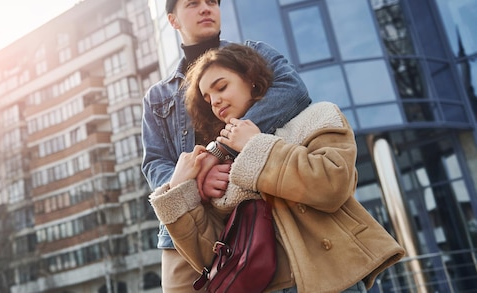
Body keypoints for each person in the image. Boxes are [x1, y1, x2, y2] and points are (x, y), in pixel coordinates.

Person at [149, 43, 406, 293]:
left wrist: (255, 145)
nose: (215, 101)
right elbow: (209, 254)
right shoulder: (220, 169)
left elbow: (333, 185)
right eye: (208, 98)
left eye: (222, 87)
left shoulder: (316, 118)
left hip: (334, 280)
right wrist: (180, 189)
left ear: (251, 78)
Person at [141, 0, 311, 292]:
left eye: (212, 1)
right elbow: (154, 163)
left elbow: (293, 92)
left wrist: (220, 152)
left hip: (258, 209)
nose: (206, 8)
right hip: (186, 221)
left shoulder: (253, 54)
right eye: (193, 3)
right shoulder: (157, 96)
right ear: (173, 20)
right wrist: (195, 181)